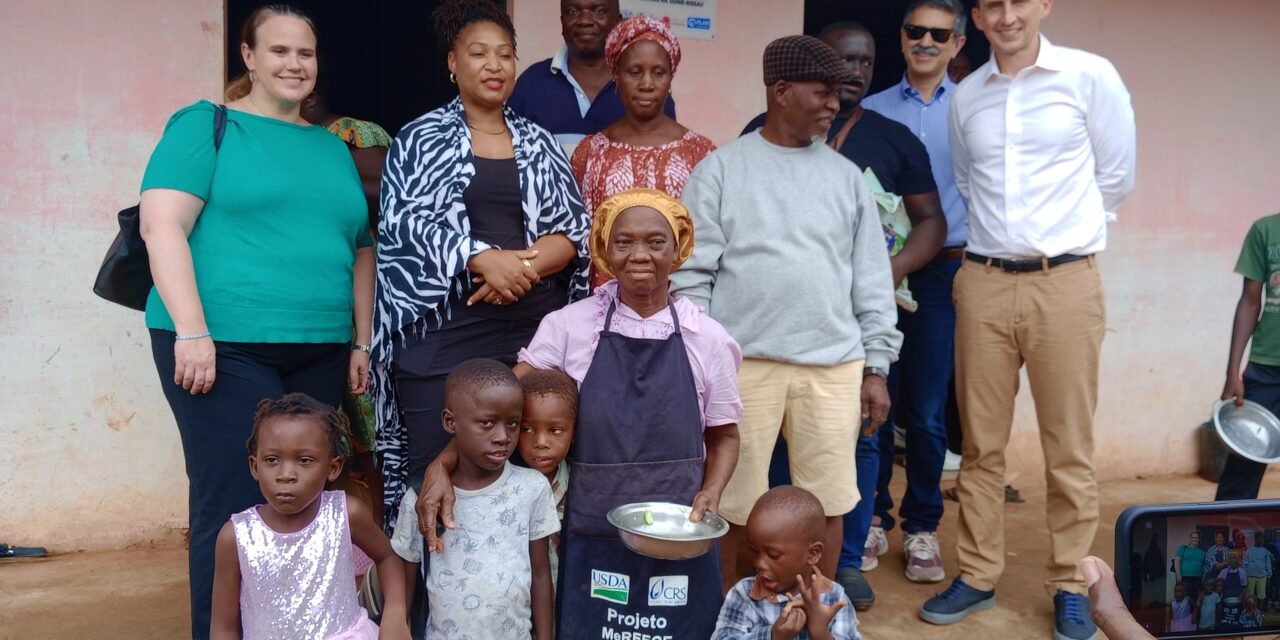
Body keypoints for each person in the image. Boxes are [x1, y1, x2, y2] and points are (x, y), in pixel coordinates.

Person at [137, 6, 376, 637]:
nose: (295, 65)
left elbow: (359, 248)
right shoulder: (205, 126)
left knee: (306, 505)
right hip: (219, 344)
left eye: (306, 53)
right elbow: (162, 225)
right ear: (247, 56)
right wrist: (191, 330)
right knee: (233, 503)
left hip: (321, 347)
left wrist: (362, 338)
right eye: (279, 51)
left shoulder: (331, 147)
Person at [419, 188, 743, 639]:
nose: (639, 255)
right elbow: (495, 405)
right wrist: (443, 462)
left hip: (677, 528)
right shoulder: (568, 326)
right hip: (590, 524)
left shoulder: (708, 339)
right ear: (605, 251)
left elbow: (725, 435)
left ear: (679, 250)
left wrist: (711, 491)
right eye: (623, 241)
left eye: (656, 241)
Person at [919, 0, 1136, 637]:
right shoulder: (968, 97)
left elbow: (1115, 176)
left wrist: (1062, 236)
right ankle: (978, 574)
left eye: (1019, 1)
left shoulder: (1090, 76)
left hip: (1064, 282)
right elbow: (967, 176)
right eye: (991, 5)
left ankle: (1072, 580)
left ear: (1044, 5)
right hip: (983, 282)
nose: (1007, 16)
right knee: (980, 446)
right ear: (977, 19)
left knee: (1068, 446)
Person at [671, 35, 903, 589]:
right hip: (742, 365)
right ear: (780, 91)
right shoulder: (722, 169)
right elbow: (693, 275)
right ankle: (735, 613)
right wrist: (706, 359)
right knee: (731, 503)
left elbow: (872, 279)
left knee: (829, 501)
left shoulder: (845, 177)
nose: (834, 104)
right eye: (822, 92)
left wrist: (876, 366)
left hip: (833, 367)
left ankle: (817, 615)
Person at [372, 0, 591, 544]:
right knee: (435, 470)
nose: (494, 65)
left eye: (506, 55)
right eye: (479, 54)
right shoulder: (418, 138)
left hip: (530, 336)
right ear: (453, 63)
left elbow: (573, 233)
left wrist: (514, 268)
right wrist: (479, 257)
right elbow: (404, 226)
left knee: (526, 472)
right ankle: (427, 612)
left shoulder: (540, 141)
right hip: (441, 333)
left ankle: (511, 600)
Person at [209, 394, 410, 640]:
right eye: (272, 460)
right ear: (254, 466)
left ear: (333, 468)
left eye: (304, 460)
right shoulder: (235, 537)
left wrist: (395, 612)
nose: (286, 475)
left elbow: (387, 555)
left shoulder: (347, 514)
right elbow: (223, 628)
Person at [569, 16, 716, 289]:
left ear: (670, 77)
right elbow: (578, 239)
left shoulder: (701, 154)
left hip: (678, 306)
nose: (647, 83)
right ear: (616, 75)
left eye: (658, 72)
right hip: (605, 308)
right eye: (634, 72)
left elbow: (708, 241)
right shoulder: (590, 153)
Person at [416, 360, 558, 639]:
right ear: (450, 421)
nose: (503, 437)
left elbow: (541, 575)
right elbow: (407, 569)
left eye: (514, 424)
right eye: (487, 423)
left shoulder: (532, 488)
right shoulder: (425, 497)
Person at [508, 0, 676, 155]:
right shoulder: (530, 85)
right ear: (562, 22)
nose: (585, 20)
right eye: (573, 11)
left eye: (599, 11)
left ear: (617, 22)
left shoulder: (647, 93)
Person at [711, 486, 861, 640]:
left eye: (773, 555)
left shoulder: (835, 599)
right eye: (754, 551)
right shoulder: (745, 594)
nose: (760, 563)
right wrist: (772, 636)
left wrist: (821, 632)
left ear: (813, 553)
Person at [1219, 212, 1280, 501]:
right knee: (1244, 464)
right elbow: (1250, 301)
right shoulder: (1265, 230)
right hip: (1266, 367)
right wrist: (1233, 372)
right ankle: (1221, 537)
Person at [516, 369, 578, 591]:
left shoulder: (580, 487)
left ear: (574, 434)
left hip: (569, 602)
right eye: (528, 429)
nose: (541, 442)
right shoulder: (507, 487)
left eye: (555, 430)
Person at [1173, 531, 1206, 600]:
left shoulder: (1202, 551)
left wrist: (1204, 577)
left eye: (1197, 538)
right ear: (1190, 539)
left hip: (1198, 578)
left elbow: (1204, 565)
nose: (1195, 539)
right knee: (1184, 597)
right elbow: (1177, 561)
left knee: (1195, 597)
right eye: (1193, 537)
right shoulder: (1183, 548)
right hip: (1185, 577)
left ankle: (1193, 610)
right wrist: (1178, 575)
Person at [1245, 532, 1273, 604]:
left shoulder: (1265, 551)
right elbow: (1244, 563)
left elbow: (1268, 564)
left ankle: (1260, 612)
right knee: (1249, 595)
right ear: (1255, 538)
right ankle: (1249, 610)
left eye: (1261, 538)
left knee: (1261, 596)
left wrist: (1269, 575)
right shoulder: (1249, 550)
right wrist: (1245, 574)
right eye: (1258, 537)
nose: (1260, 539)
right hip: (1250, 576)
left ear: (1263, 539)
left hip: (1262, 577)